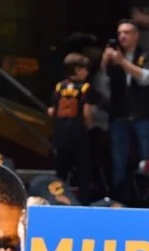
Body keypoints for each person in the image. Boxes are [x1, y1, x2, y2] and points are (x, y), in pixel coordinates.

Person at [100, 19, 149, 197]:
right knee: (119, 161)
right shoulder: (114, 57)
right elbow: (101, 84)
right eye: (119, 33)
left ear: (136, 35)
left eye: (126, 32)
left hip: (142, 116)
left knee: (144, 160)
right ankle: (119, 198)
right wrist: (104, 62)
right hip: (119, 116)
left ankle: (145, 196)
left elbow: (147, 78)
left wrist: (123, 62)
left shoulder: (146, 55)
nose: (122, 36)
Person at [47, 53, 96, 200]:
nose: (87, 72)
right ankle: (84, 201)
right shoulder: (84, 87)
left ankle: (57, 199)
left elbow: (51, 111)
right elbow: (86, 112)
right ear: (77, 69)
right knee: (82, 170)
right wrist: (90, 126)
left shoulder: (59, 86)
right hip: (78, 134)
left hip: (61, 134)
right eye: (85, 69)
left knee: (61, 171)